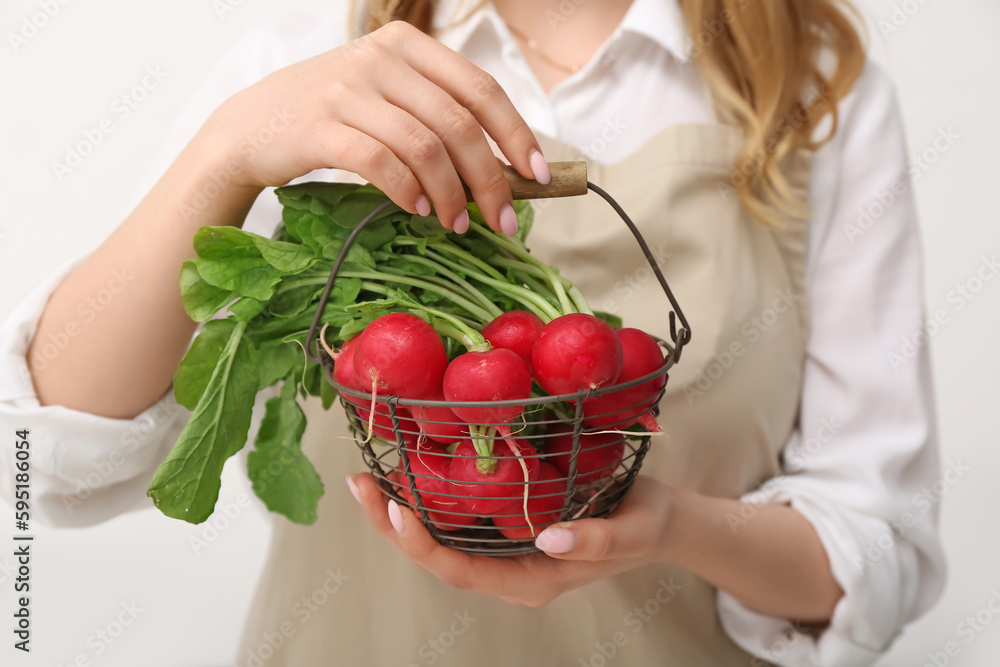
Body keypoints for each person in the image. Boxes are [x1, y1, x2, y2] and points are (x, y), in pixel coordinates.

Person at [0, 0, 946, 664]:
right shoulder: (306, 63)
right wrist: (227, 152)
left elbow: (878, 546)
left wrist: (678, 529)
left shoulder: (814, 89)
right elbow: (40, 455)